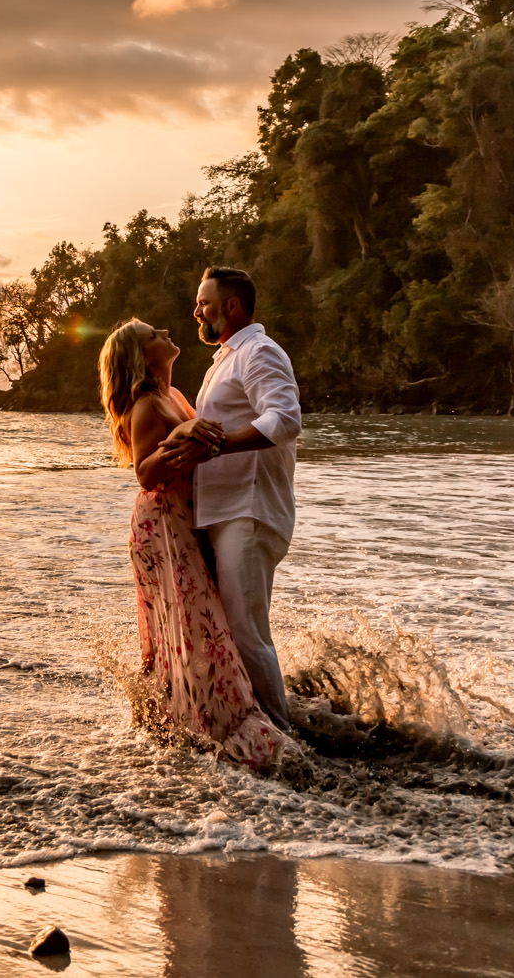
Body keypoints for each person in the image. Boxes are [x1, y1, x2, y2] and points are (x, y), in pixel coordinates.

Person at [99, 317, 287, 771]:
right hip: (161, 525)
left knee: (201, 621)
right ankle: (216, 723)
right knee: (192, 622)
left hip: (186, 519)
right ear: (142, 356)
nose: (166, 334)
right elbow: (145, 473)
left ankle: (189, 714)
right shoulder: (146, 404)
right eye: (154, 335)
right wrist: (181, 435)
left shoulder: (175, 395)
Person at [190, 266, 302, 733]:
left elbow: (285, 419)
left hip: (248, 511)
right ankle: (244, 725)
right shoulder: (225, 359)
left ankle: (282, 738)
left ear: (232, 306)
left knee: (245, 632)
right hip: (224, 511)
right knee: (229, 631)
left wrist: (220, 445)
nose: (197, 310)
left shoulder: (258, 352)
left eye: (205, 302)